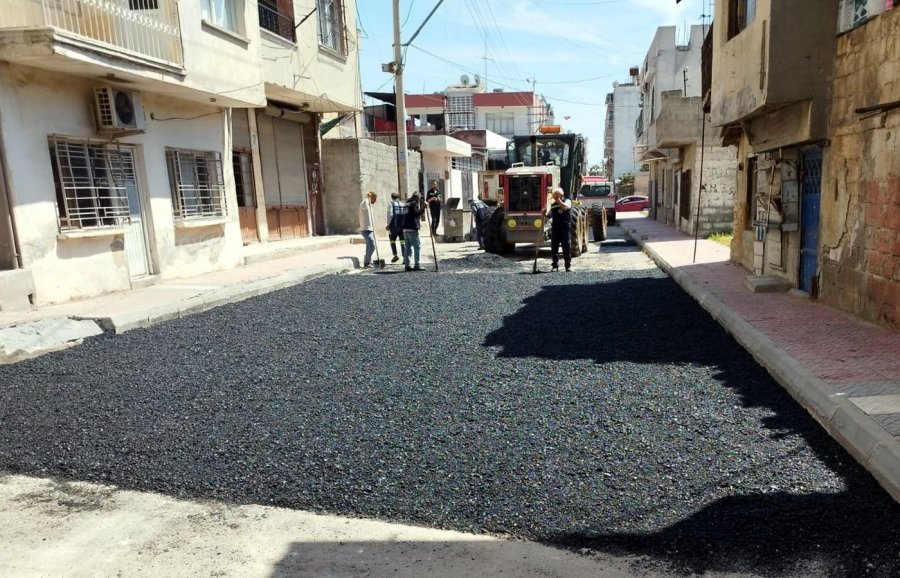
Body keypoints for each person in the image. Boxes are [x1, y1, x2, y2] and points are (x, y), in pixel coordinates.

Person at [545, 187, 572, 272]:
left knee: (566, 247)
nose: (555, 196)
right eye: (554, 195)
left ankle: (568, 266)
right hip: (555, 228)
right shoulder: (553, 205)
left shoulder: (567, 201)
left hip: (564, 227)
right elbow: (549, 215)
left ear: (561, 195)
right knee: (554, 247)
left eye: (557, 195)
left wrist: (558, 200)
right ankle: (555, 266)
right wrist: (544, 214)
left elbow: (565, 208)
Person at [402, 192, 425, 271]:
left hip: (405, 228)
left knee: (407, 247)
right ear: (417, 198)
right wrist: (423, 208)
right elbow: (416, 213)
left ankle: (407, 265)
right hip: (412, 227)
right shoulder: (414, 203)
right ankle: (417, 265)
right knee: (417, 246)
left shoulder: (406, 204)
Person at [358, 191, 377, 268]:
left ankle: (368, 262)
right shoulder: (365, 203)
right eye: (374, 199)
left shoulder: (370, 206)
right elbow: (364, 205)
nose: (375, 201)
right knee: (372, 246)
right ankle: (367, 262)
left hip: (370, 229)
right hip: (365, 229)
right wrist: (368, 197)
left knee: (368, 246)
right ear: (371, 197)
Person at [386, 192, 406, 263]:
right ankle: (405, 257)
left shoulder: (391, 204)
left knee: (392, 240)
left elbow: (390, 214)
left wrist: (388, 224)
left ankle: (395, 255)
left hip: (394, 226)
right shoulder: (402, 204)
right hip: (402, 226)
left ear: (392, 197)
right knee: (402, 241)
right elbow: (405, 214)